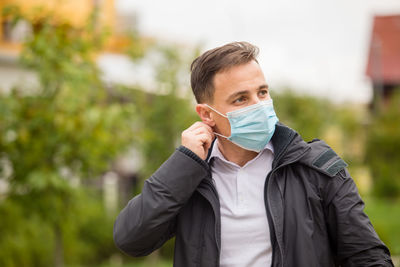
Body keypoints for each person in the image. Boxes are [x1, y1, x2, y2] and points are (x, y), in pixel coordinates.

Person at [113, 42, 393, 267]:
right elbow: (131, 239)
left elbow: (368, 256)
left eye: (262, 92)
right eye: (241, 99)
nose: (259, 105)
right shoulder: (191, 176)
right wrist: (184, 162)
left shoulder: (316, 166)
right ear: (207, 114)